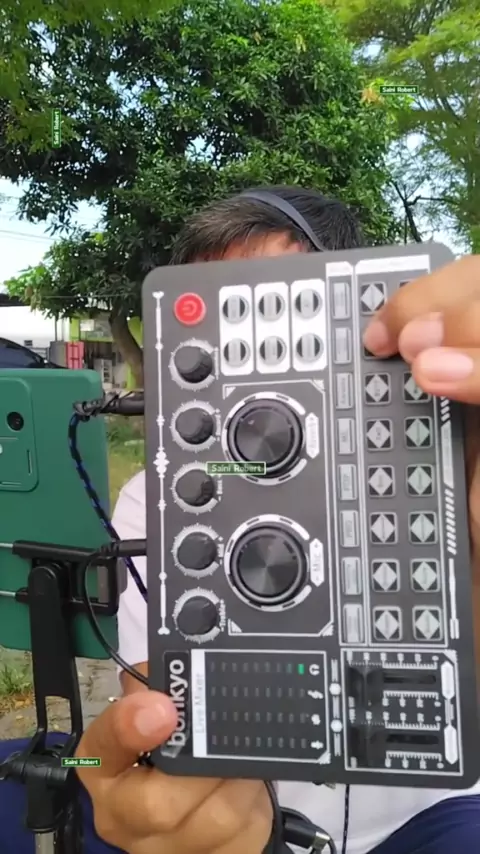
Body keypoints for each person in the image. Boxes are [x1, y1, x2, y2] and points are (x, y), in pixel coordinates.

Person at [1, 187, 479, 854]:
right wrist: (124, 770)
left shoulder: (446, 457)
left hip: (434, 814)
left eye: (283, 313)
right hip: (240, 812)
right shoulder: (150, 499)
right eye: (213, 327)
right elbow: (156, 713)